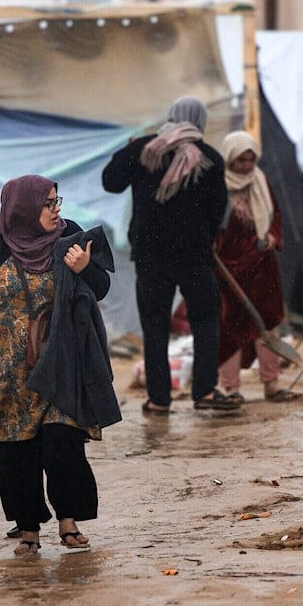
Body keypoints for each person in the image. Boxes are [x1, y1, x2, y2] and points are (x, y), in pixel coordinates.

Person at [0, 174, 120, 556]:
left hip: (62, 361)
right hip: (9, 372)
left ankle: (69, 521)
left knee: (63, 444)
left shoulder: (71, 236)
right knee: (18, 451)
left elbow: (101, 288)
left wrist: (84, 268)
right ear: (25, 208)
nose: (56, 208)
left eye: (56, 200)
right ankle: (28, 529)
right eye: (48, 203)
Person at [102, 95, 239, 412]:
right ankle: (204, 392)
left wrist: (129, 148)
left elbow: (110, 182)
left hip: (151, 256)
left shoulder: (144, 149)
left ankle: (159, 400)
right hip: (195, 256)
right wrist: (203, 235)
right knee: (205, 320)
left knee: (155, 325)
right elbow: (218, 211)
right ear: (199, 120)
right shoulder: (210, 158)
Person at [215, 130, 300, 403]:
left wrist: (272, 237)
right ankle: (232, 389)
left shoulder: (261, 181)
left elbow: (275, 215)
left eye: (250, 160)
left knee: (268, 324)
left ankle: (271, 385)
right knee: (230, 328)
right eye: (241, 161)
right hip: (230, 270)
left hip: (263, 266)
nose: (246, 166)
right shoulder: (217, 186)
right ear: (229, 160)